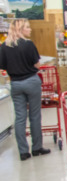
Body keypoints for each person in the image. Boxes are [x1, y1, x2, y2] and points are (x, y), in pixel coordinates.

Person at [0, 18, 51, 161]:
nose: (30, 29)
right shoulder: (28, 45)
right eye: (27, 27)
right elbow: (37, 65)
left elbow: (3, 67)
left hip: (15, 84)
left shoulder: (4, 46)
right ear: (21, 29)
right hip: (31, 82)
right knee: (35, 116)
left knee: (20, 117)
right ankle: (37, 148)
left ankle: (23, 151)